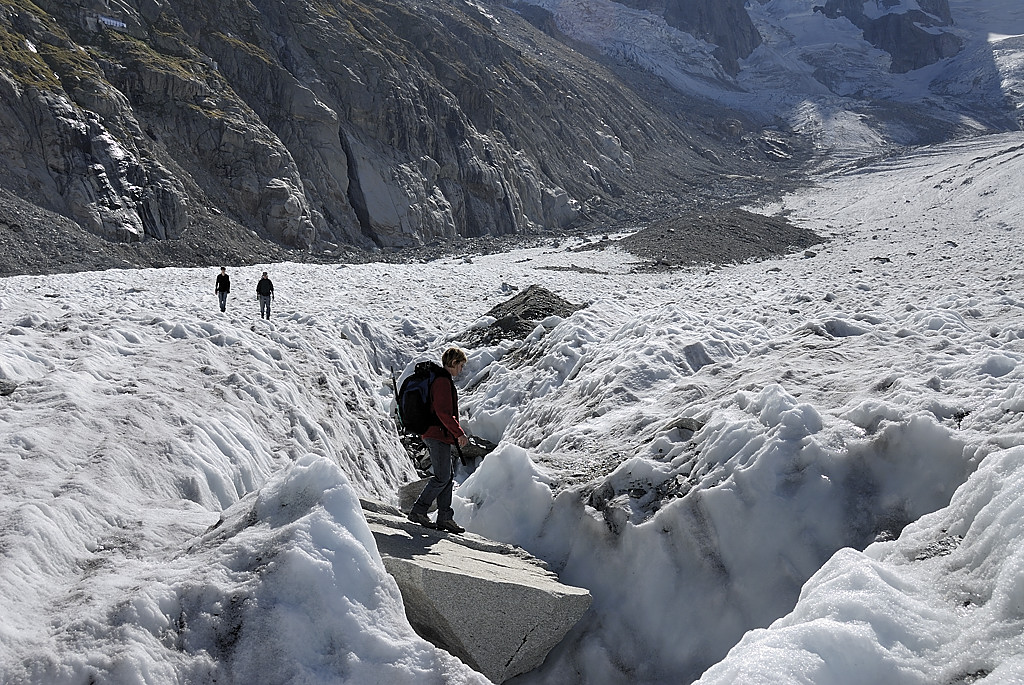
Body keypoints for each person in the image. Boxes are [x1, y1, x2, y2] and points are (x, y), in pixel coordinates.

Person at [408, 347, 470, 533]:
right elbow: (443, 412)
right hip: (436, 434)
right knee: (442, 477)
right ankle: (419, 510)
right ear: (453, 363)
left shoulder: (442, 379)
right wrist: (459, 433)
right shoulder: (442, 381)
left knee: (447, 477)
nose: (461, 369)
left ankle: (445, 517)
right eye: (460, 365)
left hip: (437, 433)